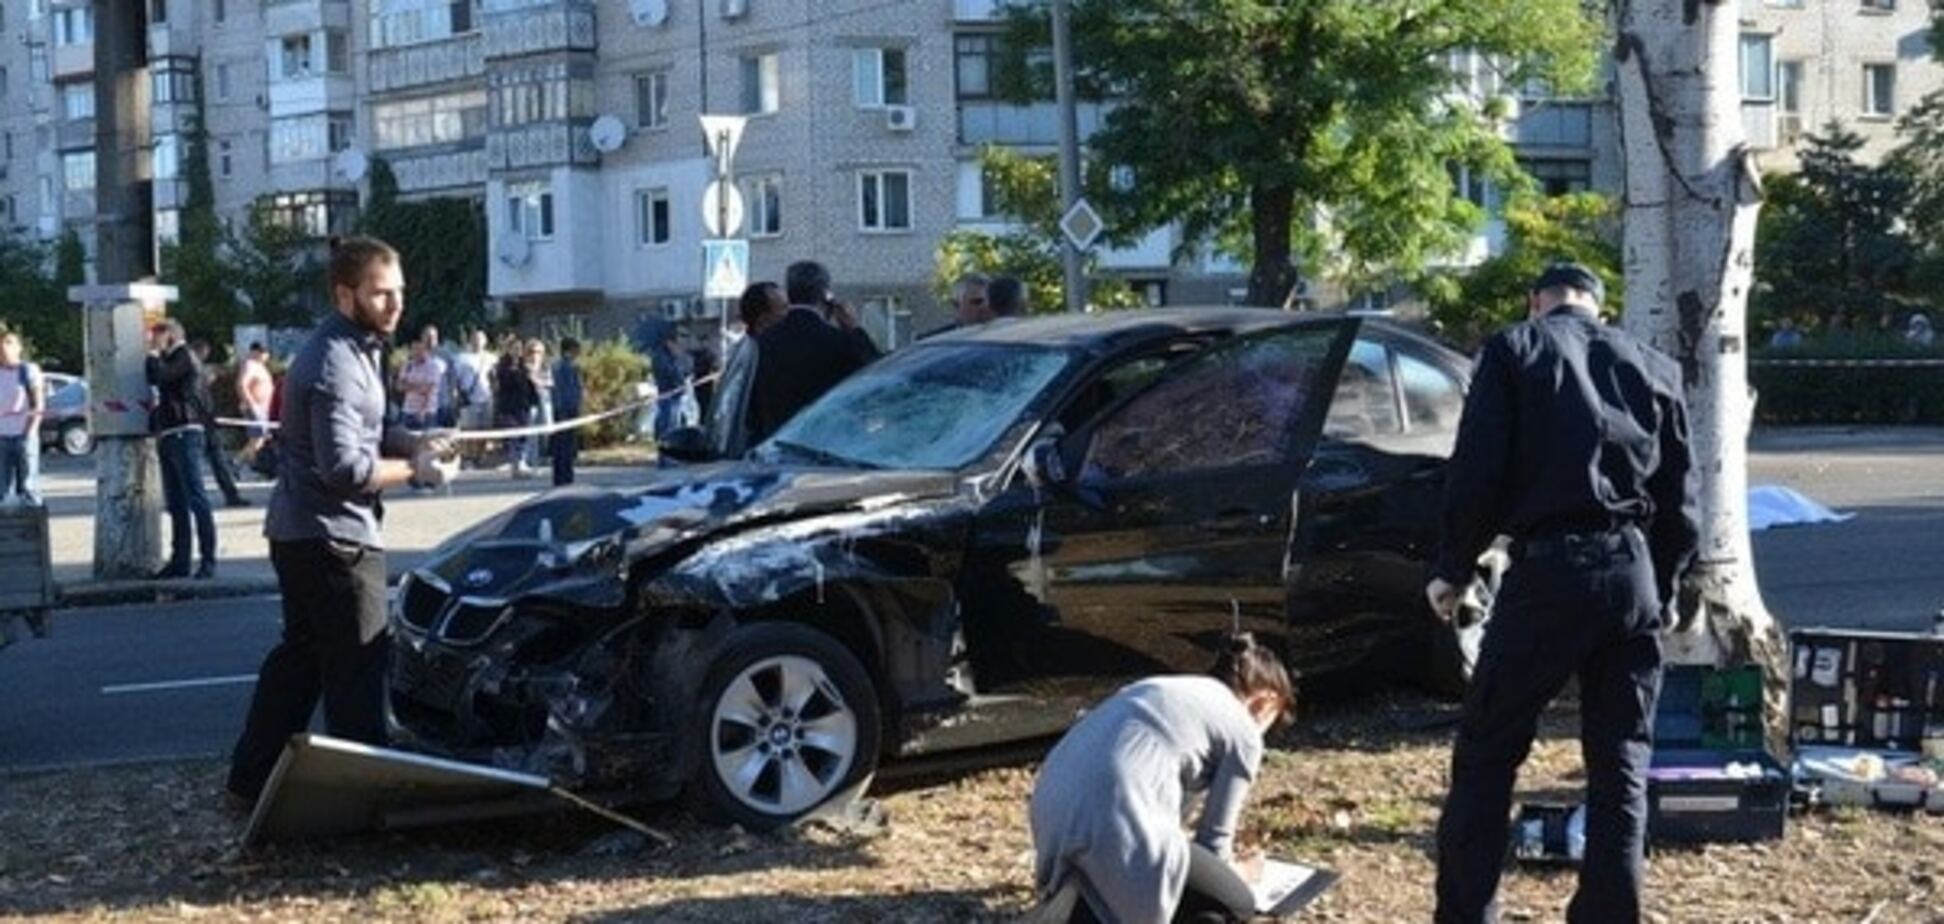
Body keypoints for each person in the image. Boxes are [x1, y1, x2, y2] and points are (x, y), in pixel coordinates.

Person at [1425, 263, 1698, 924]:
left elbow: (1478, 468)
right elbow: (1680, 497)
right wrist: (1666, 584)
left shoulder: (1513, 349)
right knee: (1621, 764)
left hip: (1549, 569)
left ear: (1536, 300)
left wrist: (1454, 566)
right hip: (1630, 568)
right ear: (1598, 307)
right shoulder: (1655, 366)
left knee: (1489, 751)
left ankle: (1467, 914)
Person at [227, 236, 455, 805]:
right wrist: (419, 469)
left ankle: (251, 779)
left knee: (300, 662)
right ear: (344, 293)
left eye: (399, 292)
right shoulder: (334, 361)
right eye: (381, 294)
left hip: (306, 533)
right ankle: (365, 802)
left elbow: (369, 433)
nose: (395, 305)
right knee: (357, 670)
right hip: (334, 542)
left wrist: (416, 438)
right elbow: (346, 468)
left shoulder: (356, 349)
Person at [1030, 634, 1295, 924]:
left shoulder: (1161, 687)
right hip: (1112, 815)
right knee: (1233, 903)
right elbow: (1214, 843)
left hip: (1050, 805)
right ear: (1265, 702)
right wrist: (1242, 873)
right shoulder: (1242, 729)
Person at [745, 260, 881, 445]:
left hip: (774, 449)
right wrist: (855, 329)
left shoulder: (761, 344)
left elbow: (750, 410)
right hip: (830, 449)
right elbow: (878, 375)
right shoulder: (841, 341)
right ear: (825, 295)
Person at [148, 321, 220, 578]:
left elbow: (160, 376)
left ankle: (208, 559)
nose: (152, 341)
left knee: (195, 497)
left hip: (185, 431)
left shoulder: (185, 357)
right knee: (176, 501)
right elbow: (153, 378)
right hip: (170, 432)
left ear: (170, 335)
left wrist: (155, 353)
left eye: (157, 336)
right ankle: (180, 560)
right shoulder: (172, 358)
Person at [189, 339, 249, 508]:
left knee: (209, 461)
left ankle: (229, 494)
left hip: (201, 421)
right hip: (204, 421)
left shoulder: (195, 370)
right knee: (215, 461)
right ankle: (231, 495)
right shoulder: (197, 371)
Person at [0, 331, 45, 507]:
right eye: (2, 343)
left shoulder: (28, 370)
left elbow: (38, 404)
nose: (4, 347)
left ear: (18, 348)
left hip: (23, 436)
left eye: (9, 343)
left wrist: (30, 431)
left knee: (28, 489)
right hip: (1, 438)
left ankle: (32, 529)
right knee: (2, 491)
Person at [493, 339, 540, 478]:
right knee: (514, 437)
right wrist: (513, 370)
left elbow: (530, 385)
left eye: (519, 348)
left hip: (523, 405)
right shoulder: (502, 365)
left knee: (523, 437)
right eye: (514, 348)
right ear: (508, 349)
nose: (517, 351)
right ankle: (516, 467)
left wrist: (533, 400)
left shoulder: (524, 365)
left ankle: (521, 464)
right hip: (508, 406)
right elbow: (503, 383)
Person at [396, 332, 448, 431]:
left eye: (419, 349)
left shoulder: (433, 366)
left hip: (426, 413)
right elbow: (399, 386)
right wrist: (417, 386)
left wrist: (408, 386)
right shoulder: (408, 365)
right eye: (413, 349)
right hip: (408, 410)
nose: (416, 352)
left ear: (425, 350)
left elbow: (428, 389)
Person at [551, 338, 584, 486]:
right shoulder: (564, 367)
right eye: (576, 350)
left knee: (567, 446)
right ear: (569, 351)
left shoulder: (569, 366)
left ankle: (565, 477)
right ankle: (563, 478)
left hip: (568, 409)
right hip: (565, 410)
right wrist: (562, 408)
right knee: (564, 446)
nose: (578, 353)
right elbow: (561, 390)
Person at [237, 342, 276, 463]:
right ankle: (236, 462)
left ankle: (255, 464)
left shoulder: (260, 366)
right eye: (263, 353)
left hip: (263, 408)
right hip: (255, 407)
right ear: (255, 352)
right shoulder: (250, 365)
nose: (266, 356)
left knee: (259, 438)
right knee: (258, 438)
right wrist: (251, 403)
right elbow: (242, 384)